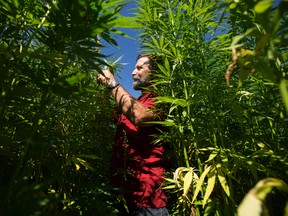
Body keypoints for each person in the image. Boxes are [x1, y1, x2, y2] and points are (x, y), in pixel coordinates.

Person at [97, 54, 169, 216]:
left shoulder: (162, 101)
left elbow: (139, 116)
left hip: (148, 198)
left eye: (139, 67)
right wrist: (103, 89)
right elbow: (107, 115)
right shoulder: (138, 101)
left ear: (156, 72)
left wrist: (111, 82)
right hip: (122, 192)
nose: (132, 72)